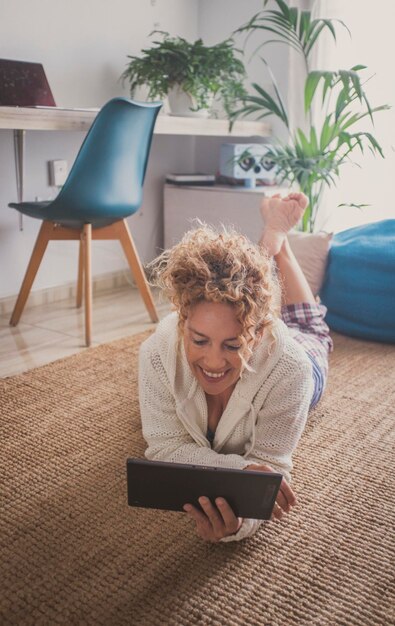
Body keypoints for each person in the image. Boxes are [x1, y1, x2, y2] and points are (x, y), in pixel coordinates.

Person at [138, 193, 333, 542]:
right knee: (295, 318)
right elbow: (164, 448)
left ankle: (279, 246)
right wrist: (242, 470)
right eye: (199, 340)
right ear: (182, 322)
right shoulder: (157, 352)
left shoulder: (292, 370)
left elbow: (270, 475)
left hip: (301, 355)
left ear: (259, 333)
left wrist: (241, 523)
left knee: (312, 328)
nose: (213, 362)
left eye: (232, 345)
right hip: (258, 325)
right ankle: (273, 245)